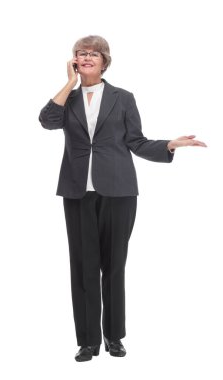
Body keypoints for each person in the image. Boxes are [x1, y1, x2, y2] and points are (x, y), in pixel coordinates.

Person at [38, 35, 207, 362]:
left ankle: (114, 336)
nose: (87, 57)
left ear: (104, 61)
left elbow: (136, 141)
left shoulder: (123, 98)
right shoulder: (68, 100)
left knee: (114, 266)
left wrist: (169, 145)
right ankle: (88, 341)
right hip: (77, 191)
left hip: (119, 191)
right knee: (83, 267)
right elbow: (47, 121)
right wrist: (69, 82)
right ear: (74, 60)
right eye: (81, 53)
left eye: (93, 53)